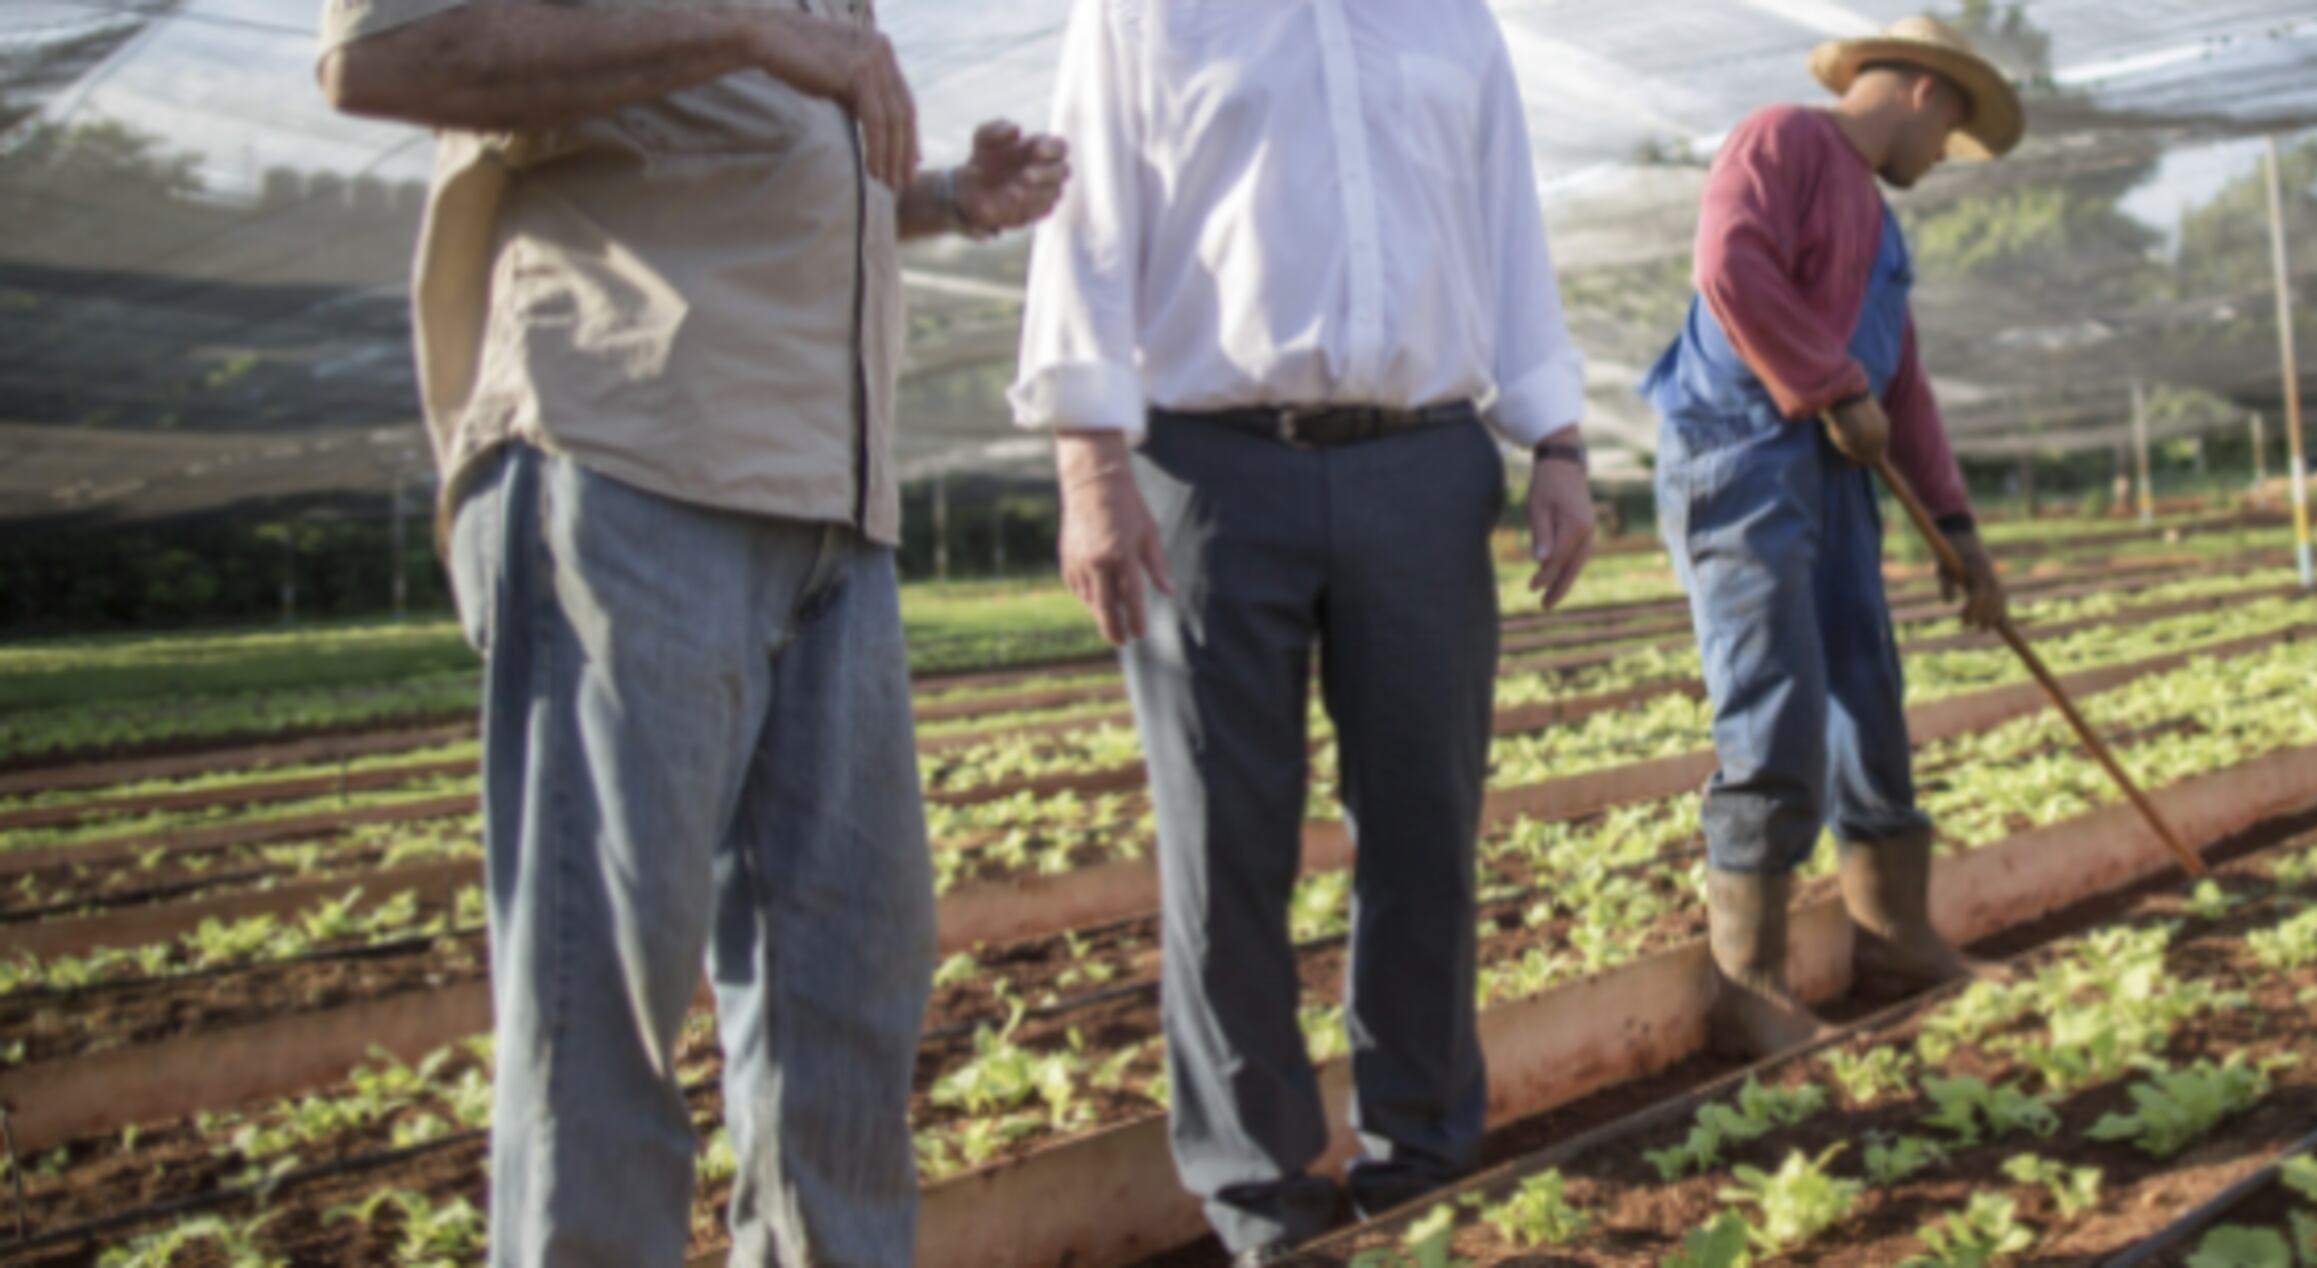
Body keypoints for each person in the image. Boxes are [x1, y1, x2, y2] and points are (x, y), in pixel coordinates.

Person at [315, 5, 1065, 1263]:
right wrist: (749, 28)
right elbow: (380, 51)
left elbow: (750, 165)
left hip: (832, 501)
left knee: (846, 998)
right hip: (629, 461)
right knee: (601, 1011)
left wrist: (944, 198)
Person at [1009, 1, 1598, 1258]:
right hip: (1211, 470)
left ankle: (1423, 1167)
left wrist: (1555, 436)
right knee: (1226, 850)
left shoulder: (1452, 21)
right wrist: (1087, 463)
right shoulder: (1144, 11)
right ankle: (1265, 1201)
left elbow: (1506, 227)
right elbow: (1086, 221)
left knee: (1426, 834)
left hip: (1424, 460)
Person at [1639, 15, 2022, 1058]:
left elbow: (1901, 386)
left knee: (1866, 688)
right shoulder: (1781, 140)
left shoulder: (1879, 228)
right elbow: (1731, 263)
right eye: (1949, 138)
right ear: (1926, 96)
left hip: (1839, 465)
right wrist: (1823, 383)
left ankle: (1893, 934)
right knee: (1776, 696)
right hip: (1743, 454)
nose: (1941, 159)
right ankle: (1747, 982)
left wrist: (1956, 531)